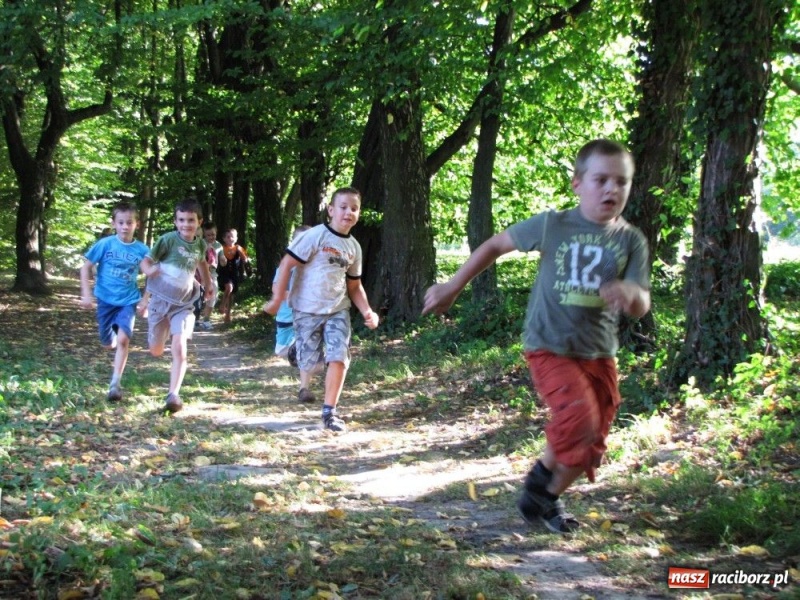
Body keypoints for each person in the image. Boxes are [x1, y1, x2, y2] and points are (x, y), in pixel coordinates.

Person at [422, 139, 651, 534]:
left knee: (594, 435)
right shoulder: (553, 225)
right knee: (579, 420)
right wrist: (453, 286)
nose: (612, 189)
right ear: (577, 183)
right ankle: (538, 488)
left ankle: (543, 499)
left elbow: (642, 300)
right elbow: (495, 245)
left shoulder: (631, 240)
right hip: (550, 345)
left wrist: (629, 295)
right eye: (601, 180)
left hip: (599, 352)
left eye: (621, 182)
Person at [263, 187, 380, 431]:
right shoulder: (315, 236)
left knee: (338, 356)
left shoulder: (354, 248)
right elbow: (286, 264)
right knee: (312, 365)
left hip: (338, 309)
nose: (349, 212)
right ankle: (295, 350)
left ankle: (330, 412)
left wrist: (367, 311)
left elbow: (355, 285)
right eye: (343, 207)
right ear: (331, 210)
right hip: (306, 309)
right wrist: (276, 299)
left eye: (354, 208)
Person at [140, 198, 214, 413]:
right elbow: (145, 261)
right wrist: (149, 271)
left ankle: (173, 394)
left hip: (184, 303)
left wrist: (208, 285)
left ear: (199, 222)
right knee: (156, 350)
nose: (186, 224)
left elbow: (202, 265)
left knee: (180, 347)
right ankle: (160, 337)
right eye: (181, 220)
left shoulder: (200, 244)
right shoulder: (167, 241)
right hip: (160, 301)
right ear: (175, 221)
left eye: (191, 220)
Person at [79, 202, 150, 402]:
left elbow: (151, 276)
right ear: (114, 223)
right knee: (108, 343)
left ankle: (115, 383)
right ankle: (109, 341)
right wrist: (86, 294)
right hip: (105, 300)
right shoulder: (105, 244)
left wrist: (145, 300)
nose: (125, 227)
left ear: (137, 224)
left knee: (123, 340)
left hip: (128, 301)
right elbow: (85, 267)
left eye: (129, 222)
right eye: (121, 222)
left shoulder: (142, 250)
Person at [272, 225, 313, 400]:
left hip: (307, 318)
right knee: (282, 350)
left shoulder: (317, 268)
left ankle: (304, 388)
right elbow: (278, 291)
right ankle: (297, 354)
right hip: (286, 317)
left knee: (304, 350)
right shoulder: (286, 267)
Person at [196, 222, 225, 330]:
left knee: (213, 296)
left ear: (216, 233)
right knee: (198, 296)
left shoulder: (218, 245)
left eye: (213, 234)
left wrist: (223, 260)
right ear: (204, 234)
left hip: (213, 274)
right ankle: (195, 319)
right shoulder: (200, 243)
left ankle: (206, 319)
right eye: (208, 235)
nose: (211, 237)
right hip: (200, 275)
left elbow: (222, 261)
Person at [217, 228, 250, 324]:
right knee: (229, 287)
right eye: (228, 237)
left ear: (236, 238)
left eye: (232, 236)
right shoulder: (221, 248)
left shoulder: (238, 248)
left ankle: (228, 314)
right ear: (224, 238)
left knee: (232, 295)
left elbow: (245, 260)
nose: (230, 238)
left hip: (234, 274)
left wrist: (241, 254)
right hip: (223, 274)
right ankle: (222, 305)